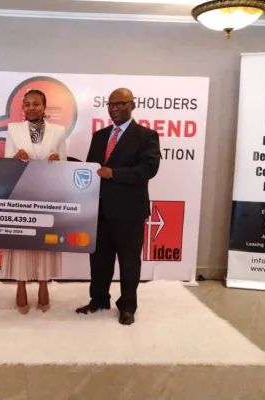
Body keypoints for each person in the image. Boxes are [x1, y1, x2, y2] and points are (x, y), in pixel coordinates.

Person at [76, 88, 160, 325]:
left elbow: (149, 169)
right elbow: (92, 169)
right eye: (110, 104)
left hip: (129, 211)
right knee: (99, 260)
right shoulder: (100, 135)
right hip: (100, 209)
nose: (114, 108)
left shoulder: (146, 135)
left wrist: (114, 173)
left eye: (120, 103)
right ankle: (99, 300)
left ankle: (127, 307)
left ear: (132, 105)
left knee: (129, 261)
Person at [1, 89, 67, 314]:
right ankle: (20, 285)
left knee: (45, 242)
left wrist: (59, 161)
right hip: (21, 194)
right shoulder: (13, 129)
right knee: (20, 241)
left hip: (47, 196)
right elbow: (5, 165)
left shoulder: (58, 131)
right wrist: (14, 158)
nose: (31, 108)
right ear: (23, 108)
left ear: (44, 106)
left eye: (36, 104)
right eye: (27, 104)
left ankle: (43, 285)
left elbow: (65, 166)